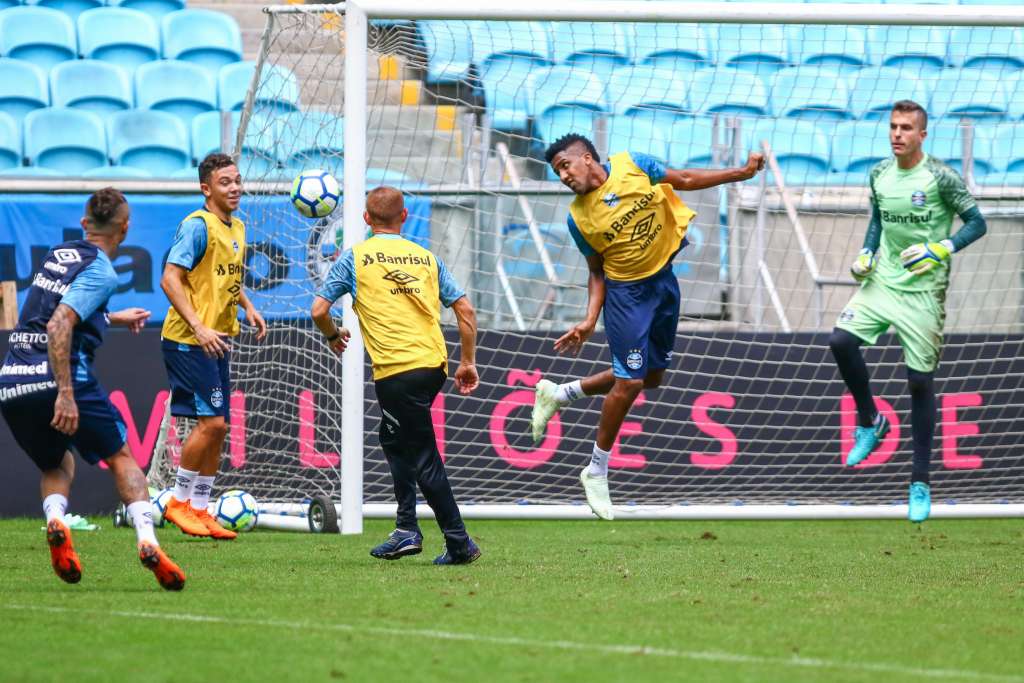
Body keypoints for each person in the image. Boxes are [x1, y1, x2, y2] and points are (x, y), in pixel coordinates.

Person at [531, 133, 765, 520]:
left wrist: (741, 173)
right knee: (631, 382)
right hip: (627, 298)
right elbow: (596, 271)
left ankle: (559, 394)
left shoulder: (633, 164)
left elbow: (685, 179)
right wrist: (591, 318)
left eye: (565, 166)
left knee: (652, 376)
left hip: (664, 284)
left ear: (587, 158)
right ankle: (596, 469)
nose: (563, 176)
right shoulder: (578, 218)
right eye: (557, 172)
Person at [0, 188, 185, 590]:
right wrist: (65, 393)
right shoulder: (103, 271)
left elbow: (49, 311)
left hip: (12, 379)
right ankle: (148, 542)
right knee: (121, 456)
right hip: (56, 377)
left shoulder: (59, 253)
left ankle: (54, 520)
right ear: (126, 227)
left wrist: (112, 317)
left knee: (57, 463)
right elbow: (58, 325)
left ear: (85, 225)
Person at [829, 100, 987, 523]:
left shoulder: (940, 177)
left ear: (922, 135)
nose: (897, 134)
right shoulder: (879, 173)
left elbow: (977, 222)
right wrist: (866, 253)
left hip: (924, 292)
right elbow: (878, 220)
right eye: (893, 127)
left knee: (919, 383)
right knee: (840, 340)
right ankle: (870, 420)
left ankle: (919, 481)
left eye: (906, 128)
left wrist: (941, 248)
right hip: (883, 280)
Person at [311, 186, 481, 565]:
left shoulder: (354, 259)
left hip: (397, 371)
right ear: (404, 217)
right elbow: (465, 310)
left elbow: (319, 310)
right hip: (432, 365)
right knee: (391, 438)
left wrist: (332, 336)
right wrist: (467, 361)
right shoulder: (426, 258)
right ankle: (406, 528)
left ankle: (459, 543)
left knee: (423, 457)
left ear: (366, 219)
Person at [160, 153, 267, 539]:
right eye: (225, 182)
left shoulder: (236, 226)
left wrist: (249, 307)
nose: (235, 187)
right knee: (213, 422)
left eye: (237, 180)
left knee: (221, 428)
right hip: (189, 340)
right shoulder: (196, 226)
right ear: (206, 188)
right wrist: (199, 327)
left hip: (218, 338)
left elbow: (225, 278)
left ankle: (202, 509)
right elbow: (171, 279)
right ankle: (178, 503)